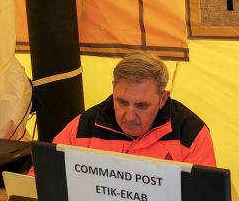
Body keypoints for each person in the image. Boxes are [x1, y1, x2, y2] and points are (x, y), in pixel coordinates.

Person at [53, 52, 216, 167]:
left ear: (162, 99)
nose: (129, 117)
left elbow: (203, 199)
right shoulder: (81, 129)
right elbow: (41, 180)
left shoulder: (191, 134)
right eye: (122, 102)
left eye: (141, 105)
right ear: (113, 89)